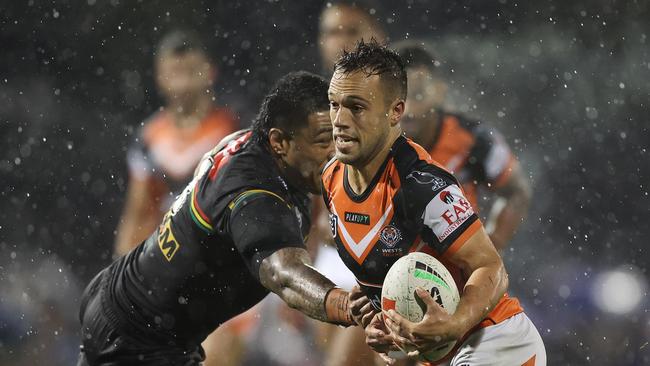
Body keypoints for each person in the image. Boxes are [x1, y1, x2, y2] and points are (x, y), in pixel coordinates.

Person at [77, 72, 364, 366]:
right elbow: (284, 275)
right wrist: (347, 306)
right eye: (322, 141)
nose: (336, 152)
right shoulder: (253, 195)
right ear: (279, 141)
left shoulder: (257, 149)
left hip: (134, 314)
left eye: (339, 138)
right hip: (139, 337)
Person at [322, 40, 546, 365]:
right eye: (333, 104)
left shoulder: (426, 181)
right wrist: (380, 316)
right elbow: (389, 267)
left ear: (395, 110)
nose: (339, 119)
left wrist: (485, 245)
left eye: (356, 107)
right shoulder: (330, 178)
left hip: (491, 340)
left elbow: (491, 265)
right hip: (436, 353)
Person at [395, 42, 532, 251]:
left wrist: (492, 246)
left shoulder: (474, 139)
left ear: (439, 92)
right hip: (385, 269)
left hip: (457, 272)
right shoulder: (369, 143)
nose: (408, 109)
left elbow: (516, 191)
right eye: (398, 96)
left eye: (418, 94)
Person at [114, 29, 238, 256]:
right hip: (167, 256)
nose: (182, 82)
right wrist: (121, 270)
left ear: (209, 71)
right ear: (159, 77)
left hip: (223, 252)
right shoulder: (148, 138)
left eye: (190, 71)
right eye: (174, 72)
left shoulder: (231, 130)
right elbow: (138, 213)